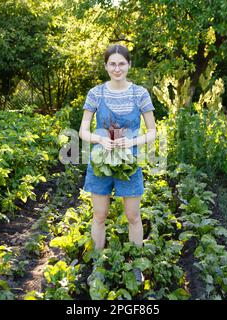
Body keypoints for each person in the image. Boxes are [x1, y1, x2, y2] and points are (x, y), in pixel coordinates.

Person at [78, 44, 157, 283]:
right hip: (101, 162)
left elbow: (153, 131)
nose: (117, 68)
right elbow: (83, 130)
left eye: (121, 63)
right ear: (105, 66)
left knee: (133, 216)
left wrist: (132, 140)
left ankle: (136, 264)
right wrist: (99, 138)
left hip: (128, 163)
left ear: (129, 65)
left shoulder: (140, 93)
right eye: (112, 64)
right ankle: (97, 264)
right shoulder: (96, 93)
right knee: (99, 215)